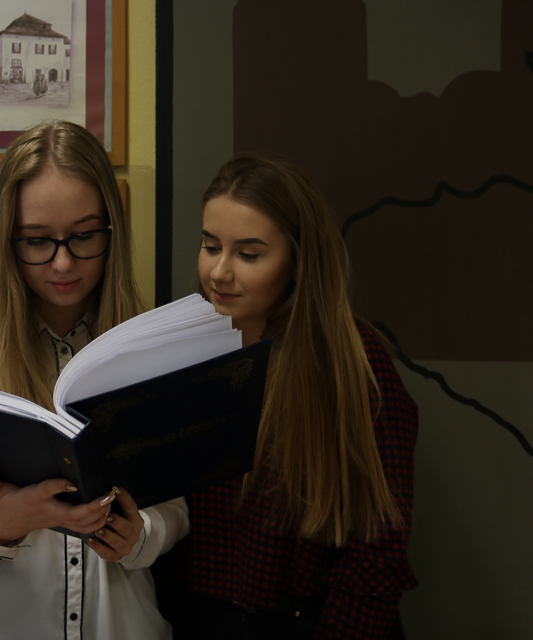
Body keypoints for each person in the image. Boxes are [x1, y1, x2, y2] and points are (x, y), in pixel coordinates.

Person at [0, 120, 189, 640]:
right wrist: (4, 523)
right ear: (8, 240)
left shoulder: (151, 349)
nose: (62, 262)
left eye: (84, 236)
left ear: (112, 231)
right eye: (37, 241)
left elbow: (174, 507)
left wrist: (140, 534)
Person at [178, 153, 418, 639]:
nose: (219, 272)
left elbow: (378, 552)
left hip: (311, 622)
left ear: (296, 260)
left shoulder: (352, 363)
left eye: (248, 254)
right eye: (210, 246)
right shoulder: (181, 351)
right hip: (195, 620)